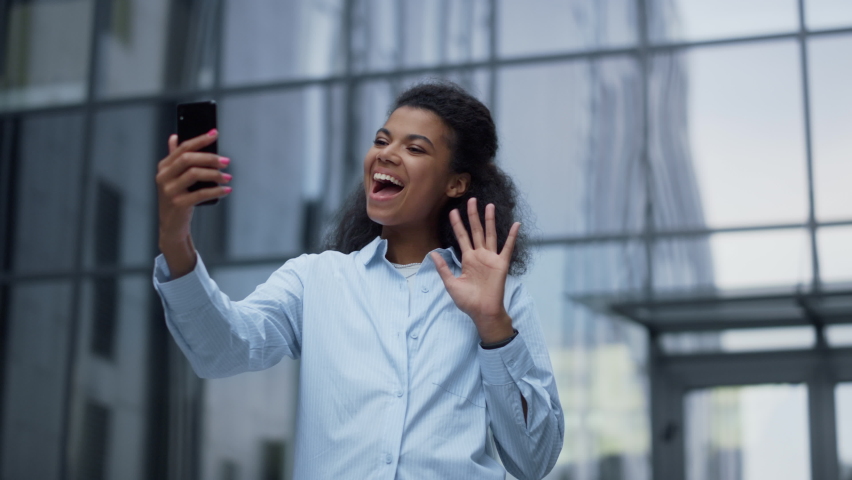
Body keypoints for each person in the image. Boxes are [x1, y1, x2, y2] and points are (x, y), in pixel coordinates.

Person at [154, 81, 564, 479]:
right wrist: (175, 238)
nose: (386, 155)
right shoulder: (315, 280)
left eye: (415, 147)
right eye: (382, 141)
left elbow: (535, 459)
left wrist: (493, 326)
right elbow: (219, 349)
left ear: (455, 183)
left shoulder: (502, 300)